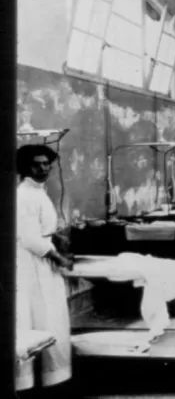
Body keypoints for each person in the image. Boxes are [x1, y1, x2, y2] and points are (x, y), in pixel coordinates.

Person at [16, 144, 74, 397]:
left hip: (42, 262)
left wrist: (58, 239)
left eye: (46, 163)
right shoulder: (24, 195)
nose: (43, 168)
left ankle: (52, 377)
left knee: (49, 316)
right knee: (38, 316)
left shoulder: (39, 192)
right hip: (31, 263)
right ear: (24, 167)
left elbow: (44, 229)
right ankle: (30, 384)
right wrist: (59, 258)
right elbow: (30, 238)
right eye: (36, 164)